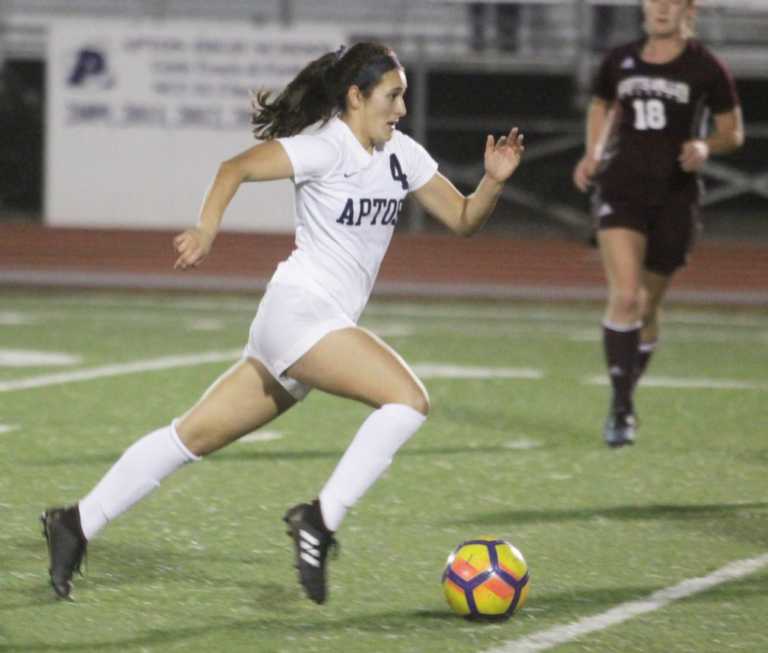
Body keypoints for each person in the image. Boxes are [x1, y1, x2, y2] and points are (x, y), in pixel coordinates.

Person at [41, 42, 525, 603]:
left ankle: (75, 523)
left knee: (189, 436)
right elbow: (236, 169)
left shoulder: (403, 155)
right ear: (355, 96)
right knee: (408, 401)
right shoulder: (326, 147)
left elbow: (464, 219)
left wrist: (492, 182)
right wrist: (205, 230)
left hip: (304, 324)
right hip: (302, 312)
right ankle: (320, 520)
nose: (401, 109)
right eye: (392, 97)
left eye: (404, 97)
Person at [572, 0, 743, 447]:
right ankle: (623, 408)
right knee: (625, 296)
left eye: (671, 3)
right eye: (654, 2)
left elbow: (733, 131)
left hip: (674, 196)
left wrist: (706, 147)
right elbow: (600, 104)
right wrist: (593, 152)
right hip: (621, 189)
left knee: (647, 306)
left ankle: (622, 394)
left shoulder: (707, 68)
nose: (661, 10)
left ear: (688, 10)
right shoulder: (619, 59)